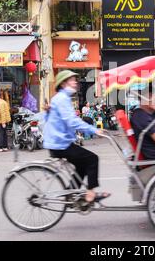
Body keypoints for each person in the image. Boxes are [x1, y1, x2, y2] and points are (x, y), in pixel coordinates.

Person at [43, 70, 109, 204]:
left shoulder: (61, 98)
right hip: (60, 144)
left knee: (82, 165)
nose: (75, 82)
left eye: (74, 80)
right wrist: (94, 130)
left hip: (60, 142)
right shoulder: (62, 99)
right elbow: (72, 121)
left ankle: (70, 193)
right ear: (63, 84)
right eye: (71, 80)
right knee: (92, 159)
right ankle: (90, 195)